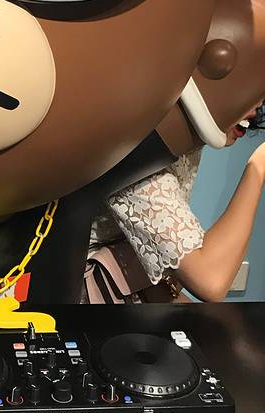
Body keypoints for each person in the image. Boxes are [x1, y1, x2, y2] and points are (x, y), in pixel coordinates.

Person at [85, 104, 265, 303]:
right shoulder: (138, 142)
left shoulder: (187, 144)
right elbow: (211, 280)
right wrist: (258, 165)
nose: (256, 108)